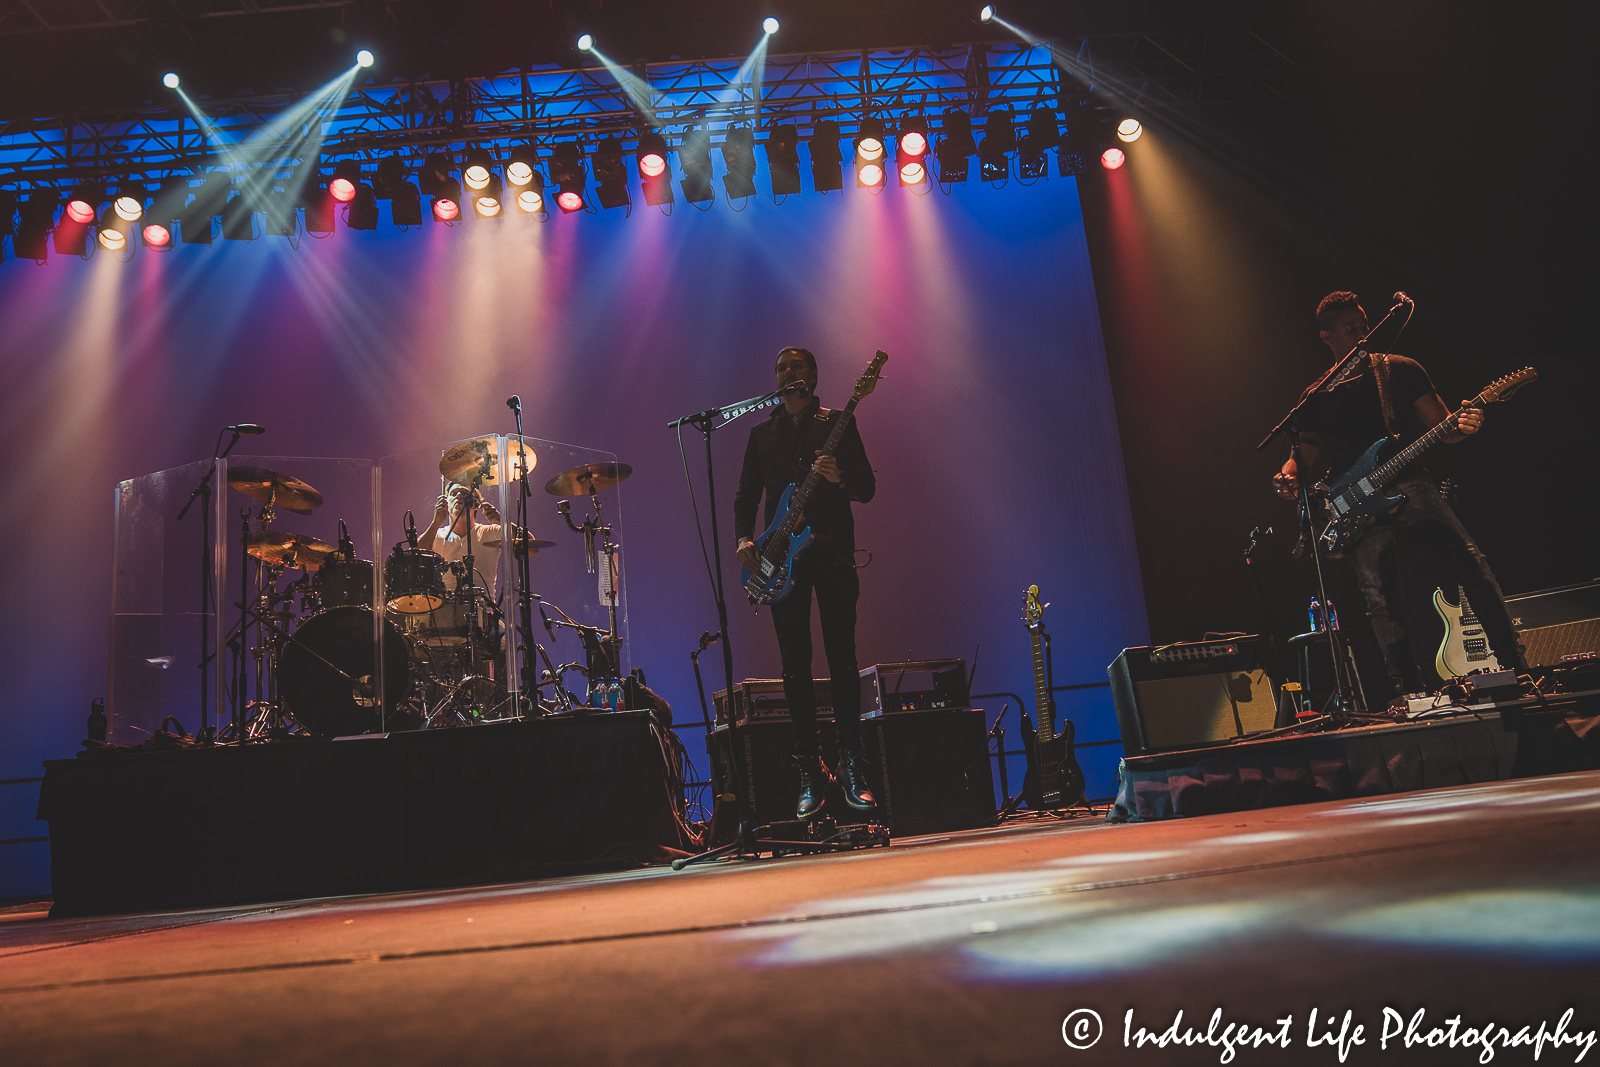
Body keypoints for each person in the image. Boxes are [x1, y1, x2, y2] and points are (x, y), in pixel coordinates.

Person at [1273, 291, 1525, 703]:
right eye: (1349, 327)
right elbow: (1304, 456)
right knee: (1379, 601)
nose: (1360, 330)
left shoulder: (1400, 370)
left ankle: (1515, 670)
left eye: (1362, 322)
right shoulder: (1315, 396)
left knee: (1471, 566)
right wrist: (1286, 478)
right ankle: (1406, 693)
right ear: (1326, 336)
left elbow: (1444, 426)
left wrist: (1466, 425)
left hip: (1408, 481)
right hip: (1352, 499)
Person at [735, 346, 877, 819]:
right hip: (781, 557)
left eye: (796, 367)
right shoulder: (762, 433)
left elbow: (867, 487)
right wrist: (741, 539)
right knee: (794, 664)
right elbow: (747, 493)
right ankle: (809, 771)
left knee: (842, 658)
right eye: (780, 367)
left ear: (814, 376)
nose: (787, 373)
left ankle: (852, 762)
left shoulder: (837, 423)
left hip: (833, 553)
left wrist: (839, 479)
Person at [420, 482, 503, 597]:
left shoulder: (490, 532)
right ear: (445, 503)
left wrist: (502, 521)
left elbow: (530, 549)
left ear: (476, 504)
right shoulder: (437, 535)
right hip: (445, 610)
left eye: (464, 493)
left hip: (484, 610)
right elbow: (415, 556)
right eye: (453, 494)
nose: (458, 496)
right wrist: (436, 522)